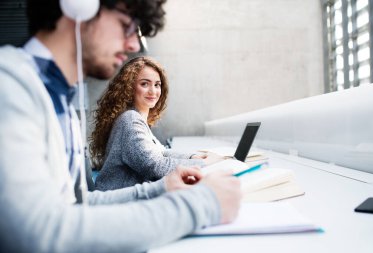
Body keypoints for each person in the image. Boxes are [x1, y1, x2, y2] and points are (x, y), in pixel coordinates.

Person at [0, 0, 242, 252]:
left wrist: (163, 187)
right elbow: (35, 233)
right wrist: (203, 205)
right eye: (126, 25)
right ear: (79, 6)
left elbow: (77, 206)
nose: (134, 45)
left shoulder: (59, 101)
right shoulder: (9, 87)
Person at [91, 56, 223, 191]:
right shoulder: (130, 120)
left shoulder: (138, 119)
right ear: (129, 87)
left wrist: (193, 157)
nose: (153, 91)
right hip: (117, 204)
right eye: (144, 84)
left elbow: (162, 153)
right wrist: (204, 163)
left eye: (157, 85)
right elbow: (155, 167)